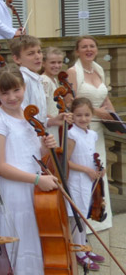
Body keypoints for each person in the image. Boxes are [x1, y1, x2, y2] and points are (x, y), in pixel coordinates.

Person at [0, 65, 59, 274]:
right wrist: (36, 180)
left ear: (24, 87)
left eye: (16, 90)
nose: (12, 97)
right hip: (14, 191)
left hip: (33, 188)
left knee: (35, 237)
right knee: (20, 242)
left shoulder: (29, 116)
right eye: (4, 93)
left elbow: (34, 153)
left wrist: (46, 145)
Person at [66, 35, 114, 232]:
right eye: (84, 47)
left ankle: (98, 214)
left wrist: (112, 115)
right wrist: (95, 112)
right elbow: (70, 102)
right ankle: (83, 219)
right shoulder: (72, 72)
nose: (88, 49)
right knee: (84, 171)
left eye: (92, 46)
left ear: (96, 49)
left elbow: (105, 98)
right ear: (77, 51)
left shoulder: (99, 69)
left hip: (98, 130)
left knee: (99, 168)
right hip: (82, 126)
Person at [66, 97, 105, 271]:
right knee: (77, 218)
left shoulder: (92, 134)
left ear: (92, 115)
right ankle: (79, 252)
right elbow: (66, 161)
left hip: (88, 181)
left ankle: (84, 248)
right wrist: (86, 170)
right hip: (76, 181)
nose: (83, 119)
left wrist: (98, 169)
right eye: (79, 115)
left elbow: (92, 156)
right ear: (72, 116)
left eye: (87, 115)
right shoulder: (72, 134)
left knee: (84, 214)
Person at [10, 35, 67, 128]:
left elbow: (39, 118)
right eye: (31, 53)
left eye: (39, 52)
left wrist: (52, 121)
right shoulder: (23, 79)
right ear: (17, 59)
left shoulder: (36, 79)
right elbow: (23, 116)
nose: (38, 57)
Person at [40, 47, 65, 140]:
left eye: (59, 62)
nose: (57, 65)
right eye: (53, 62)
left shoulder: (54, 80)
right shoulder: (44, 80)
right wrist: (52, 120)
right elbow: (42, 106)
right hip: (49, 124)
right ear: (43, 63)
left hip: (54, 123)